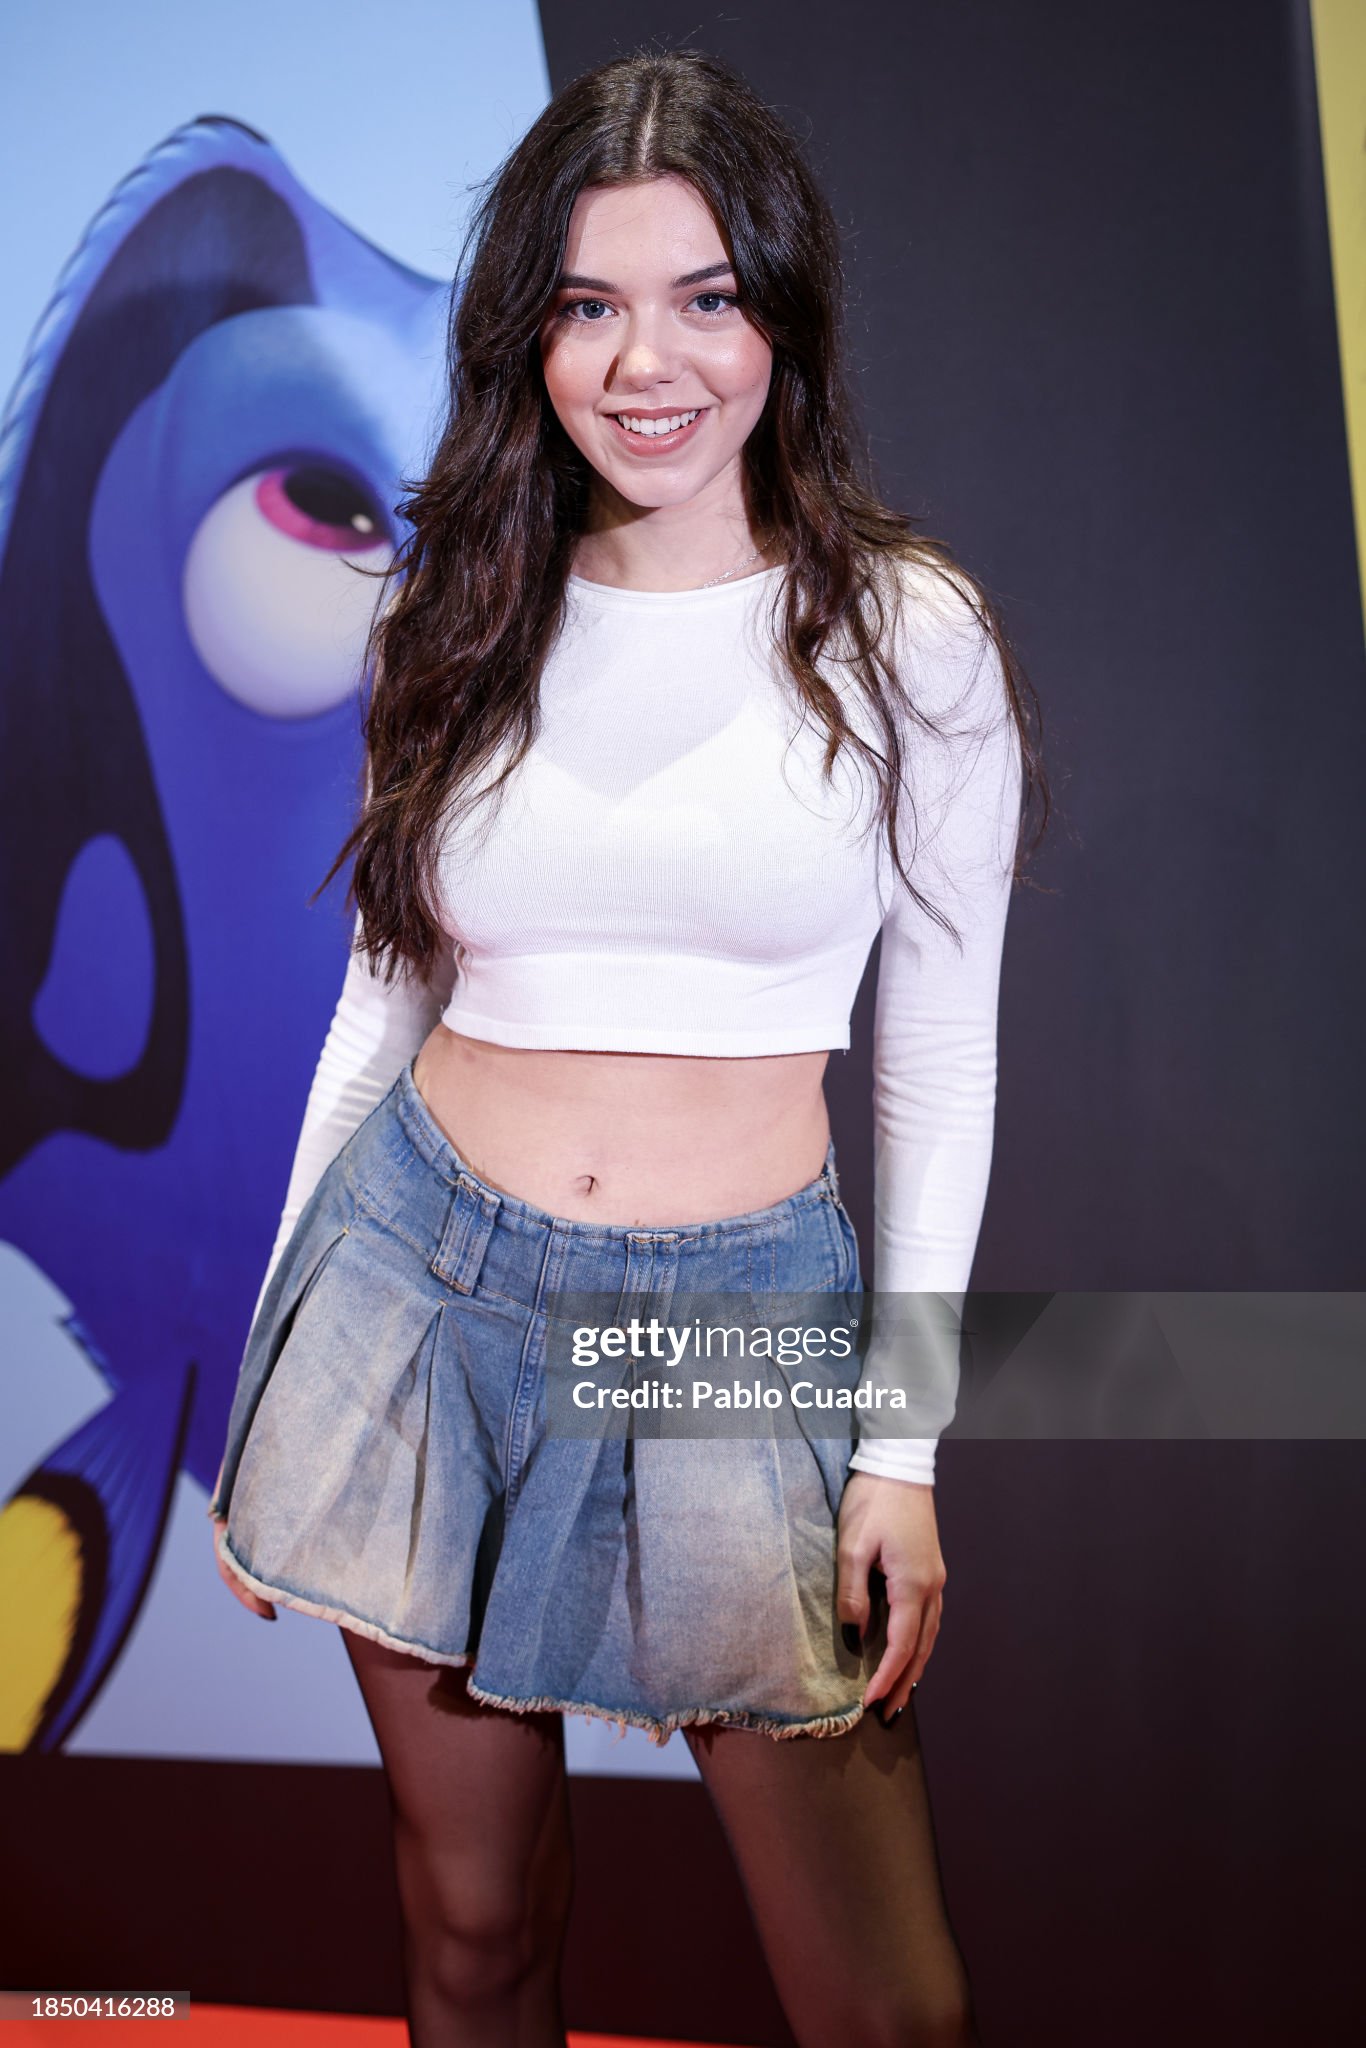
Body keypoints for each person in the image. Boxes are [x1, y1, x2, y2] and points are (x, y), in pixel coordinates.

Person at [207, 45, 1045, 2048]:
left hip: (727, 1329)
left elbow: (934, 1063)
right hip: (416, 1292)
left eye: (702, 299)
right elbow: (379, 999)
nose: (642, 362)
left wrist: (899, 1446)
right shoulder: (455, 607)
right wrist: (275, 1352)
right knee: (471, 1931)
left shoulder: (904, 635)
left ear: (781, 321)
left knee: (888, 2012)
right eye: (587, 304)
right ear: (530, 332)